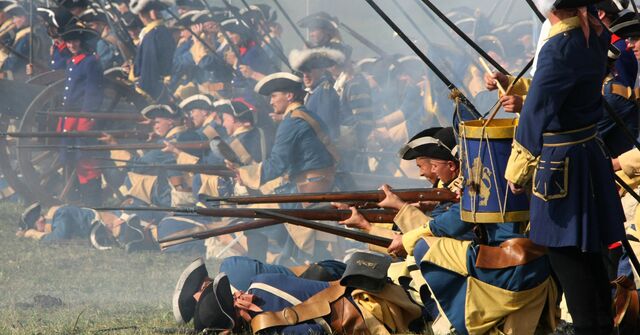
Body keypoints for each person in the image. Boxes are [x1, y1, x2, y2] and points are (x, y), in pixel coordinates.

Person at [504, 1, 625, 333]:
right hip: (588, 157)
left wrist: (518, 169)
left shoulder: (560, 45)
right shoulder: (595, 37)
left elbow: (537, 110)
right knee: (594, 272)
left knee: (572, 269)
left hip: (563, 167)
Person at [226, 72, 338, 264]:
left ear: (289, 96)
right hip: (314, 182)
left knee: (254, 217)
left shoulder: (292, 122)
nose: (271, 102)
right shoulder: (304, 115)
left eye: (274, 96)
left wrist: (244, 174)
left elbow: (277, 164)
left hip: (307, 188)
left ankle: (257, 267)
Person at [57, 23, 104, 205]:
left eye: (74, 41)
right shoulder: (72, 61)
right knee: (71, 158)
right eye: (68, 42)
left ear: (81, 42)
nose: (71, 45)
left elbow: (93, 92)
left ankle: (92, 201)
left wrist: (87, 117)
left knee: (85, 160)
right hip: (69, 118)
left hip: (81, 118)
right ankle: (76, 199)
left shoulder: (90, 62)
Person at [289, 47, 344, 139]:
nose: (305, 75)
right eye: (303, 71)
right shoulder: (315, 92)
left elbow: (325, 127)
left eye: (309, 71)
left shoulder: (324, 93)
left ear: (322, 70)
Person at [128, 0, 176, 102]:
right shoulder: (157, 32)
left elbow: (149, 65)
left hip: (154, 90)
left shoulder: (153, 35)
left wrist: (142, 92)